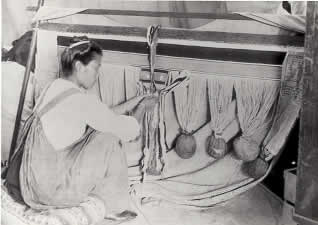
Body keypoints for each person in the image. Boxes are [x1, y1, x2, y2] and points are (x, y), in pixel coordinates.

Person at [5, 36, 157, 223]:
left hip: (30, 181)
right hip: (49, 190)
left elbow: (103, 115)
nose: (97, 74)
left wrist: (135, 101)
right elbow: (126, 131)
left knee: (100, 130)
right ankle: (112, 206)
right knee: (108, 138)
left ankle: (105, 202)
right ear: (78, 67)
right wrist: (142, 109)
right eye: (95, 67)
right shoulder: (80, 100)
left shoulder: (56, 88)